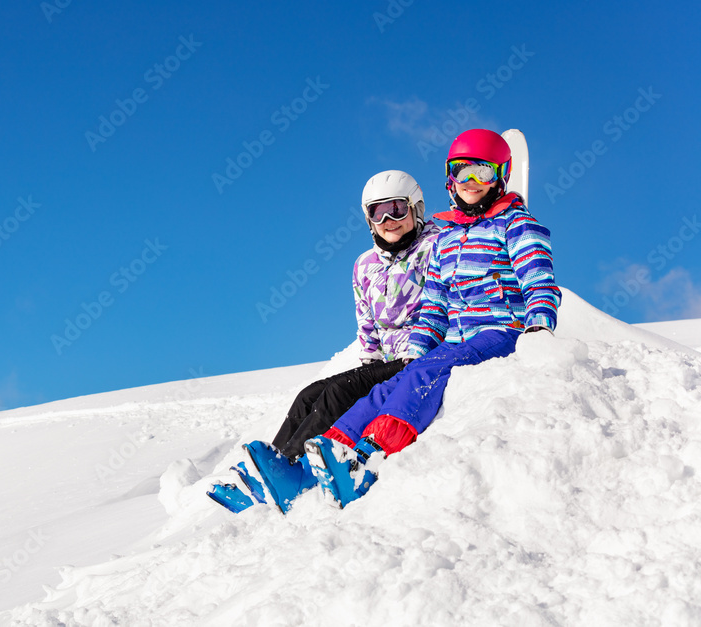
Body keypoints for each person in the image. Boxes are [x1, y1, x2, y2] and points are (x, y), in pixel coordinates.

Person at [302, 128, 562, 508]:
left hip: (502, 330)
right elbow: (434, 307)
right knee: (393, 383)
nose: (471, 183)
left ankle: (371, 454)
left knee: (428, 372)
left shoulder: (517, 224)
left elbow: (539, 279)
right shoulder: (447, 237)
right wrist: (415, 352)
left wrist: (539, 325)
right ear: (449, 179)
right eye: (462, 172)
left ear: (501, 176)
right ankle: (330, 450)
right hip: (458, 339)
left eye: (483, 173)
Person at [208, 170, 439, 513]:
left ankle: (289, 472)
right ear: (369, 220)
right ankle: (270, 470)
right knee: (307, 396)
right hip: (384, 362)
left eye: (397, 209)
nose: (389, 220)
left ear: (417, 209)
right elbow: (367, 326)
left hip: (419, 353)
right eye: (378, 212)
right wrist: (371, 365)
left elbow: (470, 242)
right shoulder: (365, 266)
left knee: (336, 394)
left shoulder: (437, 246)